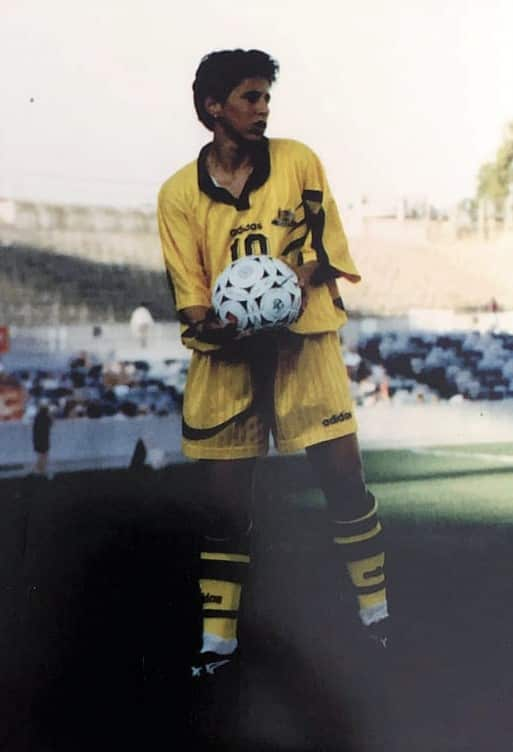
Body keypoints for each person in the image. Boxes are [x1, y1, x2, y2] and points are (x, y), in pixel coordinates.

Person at [158, 49, 389, 682]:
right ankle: (218, 641)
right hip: (226, 358)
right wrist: (222, 322)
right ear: (214, 107)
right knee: (227, 509)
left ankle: (377, 615)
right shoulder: (178, 194)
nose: (263, 109)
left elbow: (326, 249)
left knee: (345, 482)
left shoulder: (298, 160)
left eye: (266, 98)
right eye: (250, 98)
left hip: (304, 343)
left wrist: (286, 284)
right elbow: (192, 297)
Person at [32, 401, 52, 476]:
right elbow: (51, 424)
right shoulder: (47, 417)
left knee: (41, 456)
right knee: (44, 455)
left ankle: (39, 470)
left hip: (37, 439)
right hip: (44, 439)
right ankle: (40, 470)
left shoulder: (37, 417)